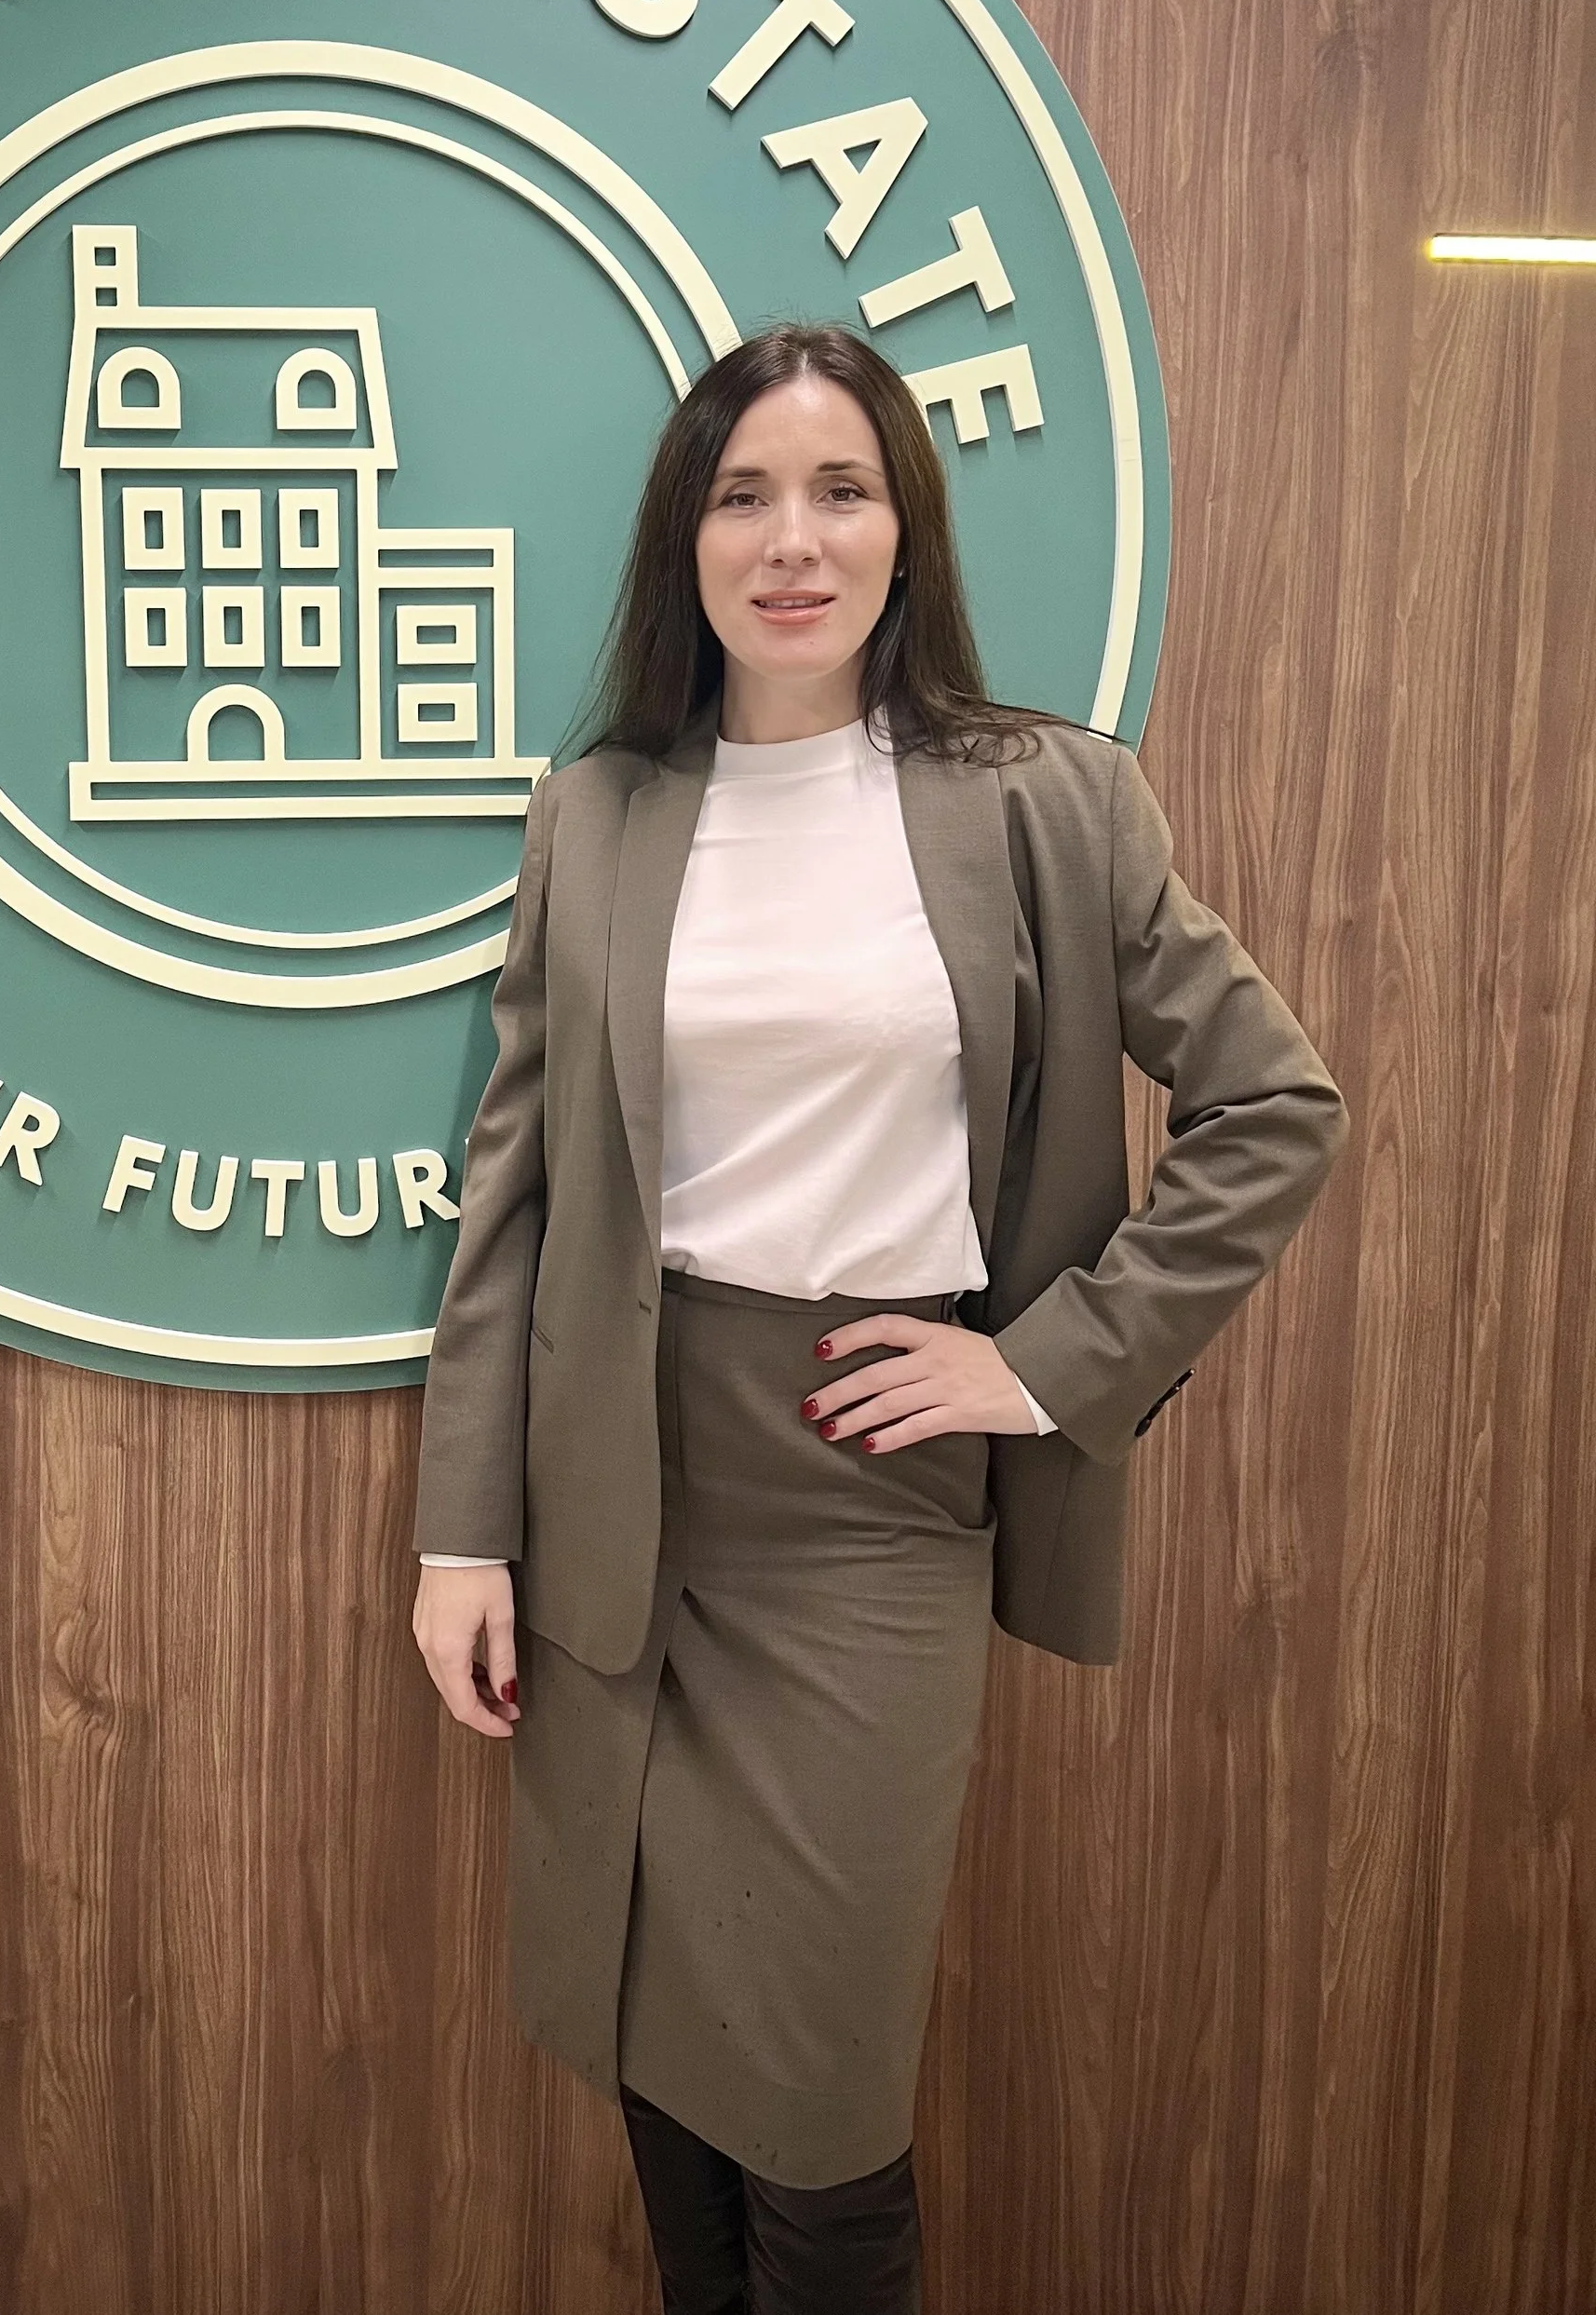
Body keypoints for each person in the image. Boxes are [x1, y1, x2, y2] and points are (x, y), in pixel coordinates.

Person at [409, 323, 1347, 2314]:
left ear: (904, 530)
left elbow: (1274, 1106)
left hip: (862, 1503)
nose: (790, 537)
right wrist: (457, 1526)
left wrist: (1037, 1361)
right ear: (684, 540)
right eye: (740, 492)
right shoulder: (593, 814)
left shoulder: (1044, 800)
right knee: (651, 2035)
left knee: (819, 2106)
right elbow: (518, 1194)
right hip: (615, 1503)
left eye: (839, 488)